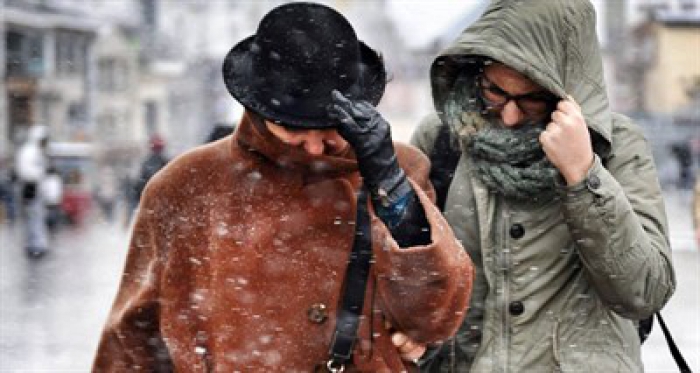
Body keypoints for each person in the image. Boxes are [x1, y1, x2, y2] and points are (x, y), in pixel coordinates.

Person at [93, 3, 474, 371]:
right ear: (258, 110)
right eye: (294, 128)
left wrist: (390, 186)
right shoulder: (186, 184)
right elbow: (133, 339)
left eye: (330, 129)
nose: (313, 147)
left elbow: (434, 319)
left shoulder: (399, 170)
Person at [406, 0, 676, 371]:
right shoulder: (442, 140)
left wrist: (583, 175)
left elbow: (643, 291)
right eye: (494, 92)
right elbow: (407, 266)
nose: (510, 115)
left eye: (532, 99)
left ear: (568, 92)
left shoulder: (617, 147)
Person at [15, 125, 51, 257]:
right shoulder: (29, 152)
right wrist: (39, 175)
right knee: (33, 217)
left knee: (37, 217)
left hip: (35, 190)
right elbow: (26, 171)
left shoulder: (37, 151)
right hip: (31, 189)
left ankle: (37, 244)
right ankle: (35, 245)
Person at [123, 134, 169, 227]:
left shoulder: (147, 163)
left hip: (152, 203)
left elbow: (140, 185)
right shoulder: (166, 162)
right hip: (162, 203)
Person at [40, 164, 63, 232]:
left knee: (49, 213)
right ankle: (54, 226)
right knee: (55, 213)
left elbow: (43, 190)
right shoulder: (58, 179)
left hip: (48, 200)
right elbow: (60, 190)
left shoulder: (45, 179)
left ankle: (50, 225)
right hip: (56, 200)